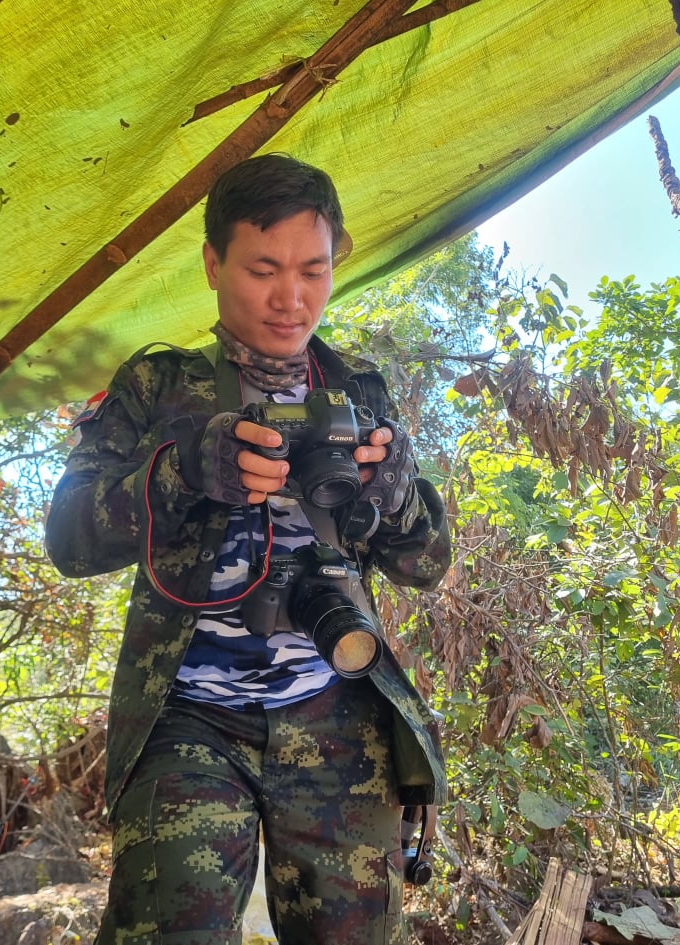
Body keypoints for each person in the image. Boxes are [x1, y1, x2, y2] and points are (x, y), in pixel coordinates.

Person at [46, 153, 451, 945]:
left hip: (336, 703)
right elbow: (69, 540)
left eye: (313, 269)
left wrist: (396, 489)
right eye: (263, 268)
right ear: (212, 263)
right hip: (189, 716)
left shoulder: (359, 389)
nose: (291, 297)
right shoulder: (159, 387)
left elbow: (425, 564)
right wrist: (181, 471)